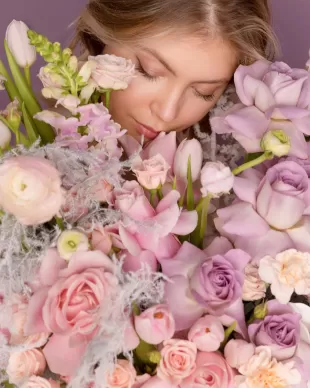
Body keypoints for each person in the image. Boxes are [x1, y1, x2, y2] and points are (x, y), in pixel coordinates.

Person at [72, 0, 278, 143]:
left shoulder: (218, 180)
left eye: (204, 91)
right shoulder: (44, 145)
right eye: (148, 71)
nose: (167, 113)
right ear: (105, 32)